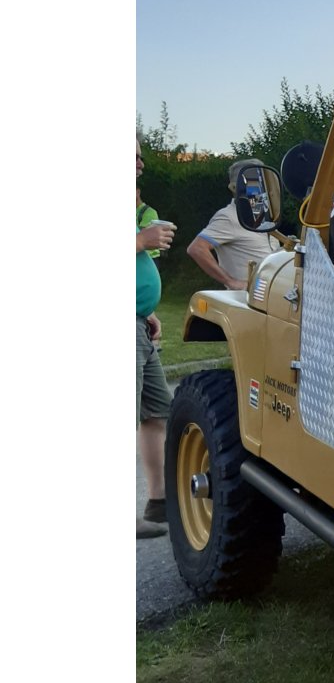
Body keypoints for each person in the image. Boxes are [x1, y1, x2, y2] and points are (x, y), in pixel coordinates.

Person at [136, 138, 176, 539]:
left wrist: (145, 311)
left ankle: (159, 502)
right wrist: (139, 242)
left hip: (138, 324)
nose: (140, 164)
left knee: (155, 412)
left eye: (139, 156)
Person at [185, 158, 279, 291]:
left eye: (264, 182)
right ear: (236, 187)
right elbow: (196, 249)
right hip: (247, 302)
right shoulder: (228, 217)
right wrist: (231, 282)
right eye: (255, 182)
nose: (262, 188)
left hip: (271, 299)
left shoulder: (264, 219)